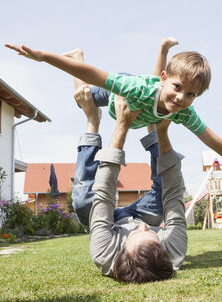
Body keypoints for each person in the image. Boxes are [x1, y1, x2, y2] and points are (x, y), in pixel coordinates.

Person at [5, 39, 222, 176]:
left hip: (146, 96)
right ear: (165, 79)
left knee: (156, 105)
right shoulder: (136, 88)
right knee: (81, 96)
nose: (181, 98)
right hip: (117, 96)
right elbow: (93, 74)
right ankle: (77, 53)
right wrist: (43, 56)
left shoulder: (184, 112)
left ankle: (162, 48)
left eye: (191, 94)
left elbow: (210, 137)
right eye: (178, 87)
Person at [73, 84, 187, 283]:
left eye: (137, 233)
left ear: (123, 250)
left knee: (83, 202)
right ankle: (151, 124)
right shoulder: (174, 251)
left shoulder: (104, 253)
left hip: (107, 222)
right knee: (162, 195)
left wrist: (122, 126)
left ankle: (92, 120)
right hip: (140, 211)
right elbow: (173, 193)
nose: (144, 226)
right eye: (153, 233)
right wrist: (161, 133)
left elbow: (104, 194)